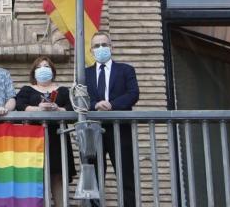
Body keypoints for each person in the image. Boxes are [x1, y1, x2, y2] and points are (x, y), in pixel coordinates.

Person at [85, 31, 139, 207]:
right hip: (93, 131)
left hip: (120, 130)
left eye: (104, 45)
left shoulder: (126, 70)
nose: (101, 48)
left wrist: (111, 105)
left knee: (126, 177)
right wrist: (95, 105)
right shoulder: (84, 73)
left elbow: (133, 94)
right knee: (94, 178)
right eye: (97, 46)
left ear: (111, 47)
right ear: (91, 51)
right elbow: (80, 99)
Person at [16, 56, 75, 207]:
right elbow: (20, 106)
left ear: (53, 71)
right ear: (34, 72)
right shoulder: (27, 90)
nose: (43, 69)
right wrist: (39, 109)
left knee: (58, 176)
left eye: (47, 66)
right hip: (35, 138)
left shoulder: (62, 90)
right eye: (39, 67)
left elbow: (71, 109)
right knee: (37, 176)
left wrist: (57, 109)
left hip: (58, 138)